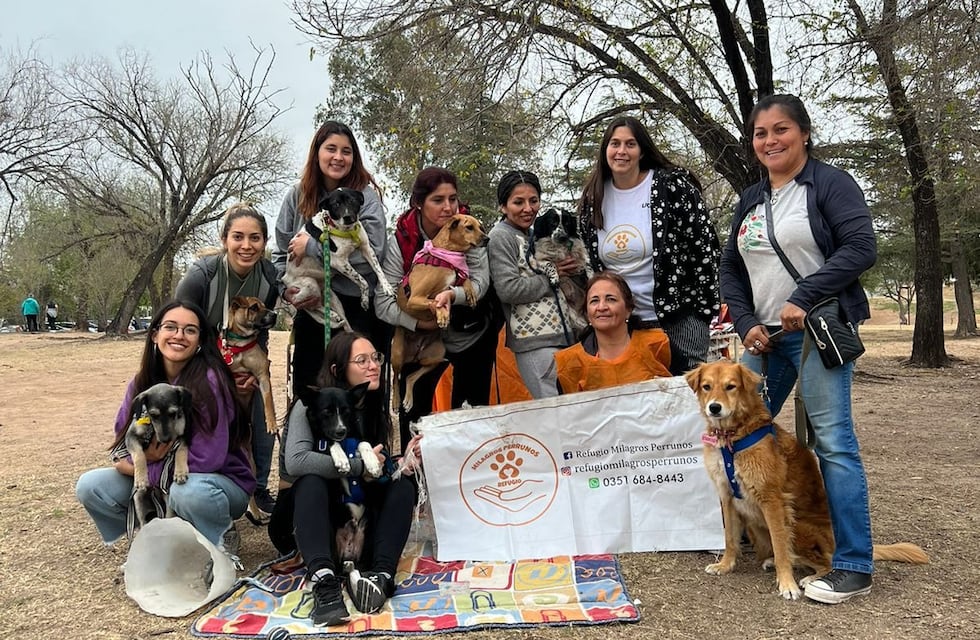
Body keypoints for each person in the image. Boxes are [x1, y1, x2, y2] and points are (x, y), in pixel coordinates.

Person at [720, 93, 878, 605]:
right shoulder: (751, 198)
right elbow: (731, 268)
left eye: (781, 129)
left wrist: (803, 297)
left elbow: (860, 247)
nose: (770, 140)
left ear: (804, 133)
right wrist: (745, 322)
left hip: (817, 332)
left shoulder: (830, 184)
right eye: (761, 133)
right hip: (763, 339)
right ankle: (751, 531)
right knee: (729, 431)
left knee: (831, 442)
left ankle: (852, 563)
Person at [75, 300, 254, 549]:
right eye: (171, 327)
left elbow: (207, 460)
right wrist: (137, 461)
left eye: (190, 330)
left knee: (188, 492)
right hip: (168, 476)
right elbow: (121, 444)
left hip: (216, 482)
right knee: (91, 487)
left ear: (201, 340)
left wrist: (140, 468)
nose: (179, 335)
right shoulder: (142, 384)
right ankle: (161, 535)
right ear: (154, 334)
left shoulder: (210, 382)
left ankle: (221, 535)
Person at [274, 332, 417, 625]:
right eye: (361, 360)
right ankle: (325, 584)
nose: (373, 366)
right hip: (306, 518)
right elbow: (297, 462)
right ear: (338, 370)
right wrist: (355, 467)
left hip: (352, 517)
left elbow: (375, 473)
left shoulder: (370, 409)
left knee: (403, 484)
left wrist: (403, 462)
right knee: (311, 480)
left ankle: (381, 576)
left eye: (376, 358)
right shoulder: (309, 404)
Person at [578, 116, 720, 375]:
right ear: (605, 150)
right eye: (615, 144)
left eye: (630, 144)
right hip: (626, 324)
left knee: (687, 398)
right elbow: (592, 263)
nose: (621, 151)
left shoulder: (672, 187)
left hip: (679, 317)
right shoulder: (593, 198)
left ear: (642, 150)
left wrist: (703, 310)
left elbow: (705, 250)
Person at [375, 167, 498, 450]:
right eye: (437, 200)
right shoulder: (402, 239)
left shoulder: (469, 229)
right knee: (417, 425)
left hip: (468, 335)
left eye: (453, 199)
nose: (448, 207)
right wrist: (420, 324)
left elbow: (479, 285)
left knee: (469, 417)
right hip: (417, 338)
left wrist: (451, 295)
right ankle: (416, 482)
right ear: (419, 203)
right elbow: (383, 301)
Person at [175, 203, 279, 518]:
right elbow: (179, 329)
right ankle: (198, 486)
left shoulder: (268, 276)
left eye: (255, 238)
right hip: (200, 360)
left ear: (264, 242)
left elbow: (261, 330)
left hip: (243, 355)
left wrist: (252, 363)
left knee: (263, 423)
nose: (246, 246)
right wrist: (213, 372)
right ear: (224, 239)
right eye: (238, 237)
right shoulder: (202, 275)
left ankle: (257, 486)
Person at [273, 121, 390, 397]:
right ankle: (305, 442)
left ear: (354, 157)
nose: (338, 157)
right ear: (317, 153)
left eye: (346, 151)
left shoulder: (366, 197)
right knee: (310, 390)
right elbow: (280, 251)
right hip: (313, 305)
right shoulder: (298, 195)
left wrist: (314, 247)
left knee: (363, 393)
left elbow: (374, 252)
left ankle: (368, 441)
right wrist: (286, 291)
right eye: (331, 149)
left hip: (359, 307)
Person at [488, 170, 577, 398]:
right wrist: (551, 277)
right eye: (518, 202)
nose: (528, 208)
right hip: (534, 340)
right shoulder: (501, 237)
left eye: (533, 201)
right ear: (503, 206)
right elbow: (508, 289)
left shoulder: (533, 234)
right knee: (553, 411)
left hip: (561, 336)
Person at [555, 272, 671, 393]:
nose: (602, 307)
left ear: (628, 309)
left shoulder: (658, 344)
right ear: (587, 313)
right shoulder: (570, 363)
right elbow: (569, 410)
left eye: (611, 299)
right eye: (594, 301)